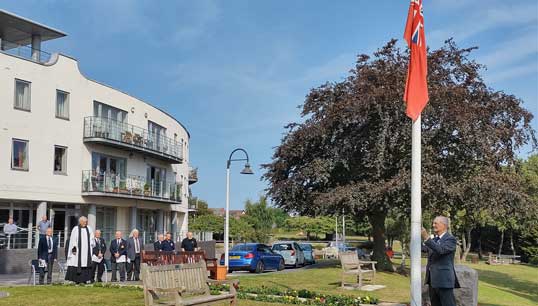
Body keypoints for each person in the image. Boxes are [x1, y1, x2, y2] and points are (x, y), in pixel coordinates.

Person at [422, 216, 460, 306]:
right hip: (432, 282)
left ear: (444, 225)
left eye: (436, 223)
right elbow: (423, 249)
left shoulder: (451, 239)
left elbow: (441, 250)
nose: (433, 225)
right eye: (433, 223)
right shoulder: (434, 240)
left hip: (444, 281)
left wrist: (427, 238)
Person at [65, 216, 95, 284]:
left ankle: (85, 279)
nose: (85, 223)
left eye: (86, 222)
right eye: (83, 222)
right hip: (78, 251)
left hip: (87, 251)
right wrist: (74, 249)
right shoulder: (76, 229)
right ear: (80, 222)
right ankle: (77, 280)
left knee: (86, 264)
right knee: (77, 263)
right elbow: (73, 240)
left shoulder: (89, 229)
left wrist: (92, 242)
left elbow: (92, 238)